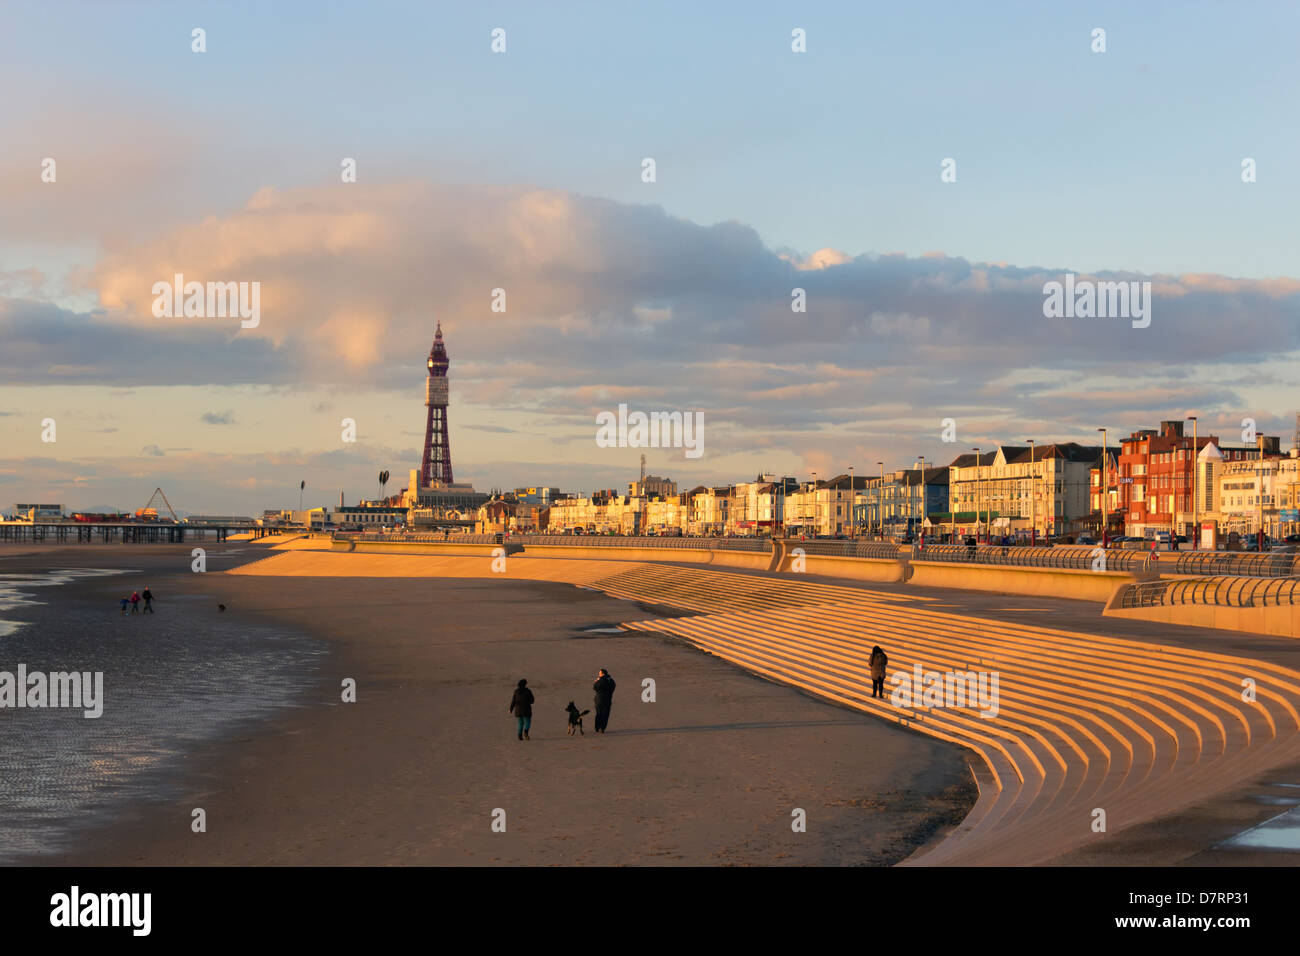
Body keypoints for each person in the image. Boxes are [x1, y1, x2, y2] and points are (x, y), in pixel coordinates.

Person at [592, 669, 616, 733]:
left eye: (599, 673)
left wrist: (596, 681)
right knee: (605, 714)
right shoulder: (611, 680)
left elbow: (595, 687)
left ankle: (597, 727)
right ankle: (602, 728)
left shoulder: (600, 680)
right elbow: (613, 686)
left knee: (599, 713)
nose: (599, 674)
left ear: (603, 674)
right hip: (608, 699)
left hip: (599, 700)